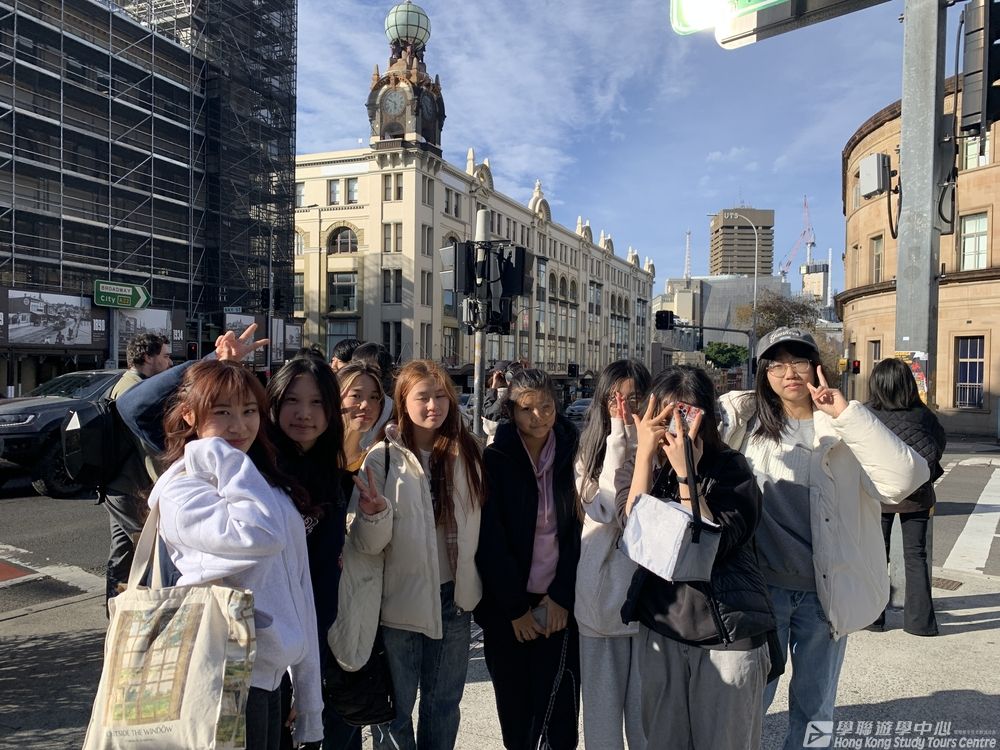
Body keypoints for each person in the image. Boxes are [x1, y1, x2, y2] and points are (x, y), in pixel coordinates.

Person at [718, 327, 929, 750]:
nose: (788, 373)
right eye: (776, 364)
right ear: (763, 373)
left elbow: (905, 479)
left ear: (817, 367)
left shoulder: (843, 427)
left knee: (816, 708)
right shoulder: (750, 426)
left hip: (824, 594)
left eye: (798, 361)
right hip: (762, 592)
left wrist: (846, 413)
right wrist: (736, 406)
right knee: (749, 702)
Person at [142, 359, 324, 750]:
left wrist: (308, 694)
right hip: (225, 673)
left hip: (270, 677)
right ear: (189, 414)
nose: (239, 426)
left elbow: (299, 587)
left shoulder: (260, 485)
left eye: (249, 411)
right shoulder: (182, 490)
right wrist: (215, 453)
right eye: (222, 412)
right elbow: (260, 535)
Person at [618, 365, 774, 750]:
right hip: (664, 628)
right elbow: (634, 531)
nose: (674, 427)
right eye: (665, 415)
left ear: (705, 417)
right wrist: (644, 454)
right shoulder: (648, 469)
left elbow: (712, 544)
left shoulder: (731, 468)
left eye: (684, 415)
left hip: (726, 634)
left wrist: (687, 475)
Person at [342, 359, 485, 750]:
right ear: (403, 402)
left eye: (441, 396)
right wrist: (375, 515)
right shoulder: (383, 458)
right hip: (399, 603)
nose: (433, 406)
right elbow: (366, 545)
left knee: (443, 706)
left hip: (454, 599)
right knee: (395, 712)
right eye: (423, 397)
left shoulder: (469, 451)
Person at [476, 368, 582, 750]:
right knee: (517, 719)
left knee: (559, 716)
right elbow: (490, 540)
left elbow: (581, 533)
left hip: (559, 606)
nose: (539, 416)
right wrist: (515, 609)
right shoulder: (496, 458)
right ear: (511, 411)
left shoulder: (574, 453)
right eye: (527, 408)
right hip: (509, 611)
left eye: (546, 406)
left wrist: (562, 597)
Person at [266, 356, 360, 750]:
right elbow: (137, 413)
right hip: (255, 648)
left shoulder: (332, 475)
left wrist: (306, 678)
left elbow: (321, 583)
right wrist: (216, 362)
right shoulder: (254, 465)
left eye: (317, 402)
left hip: (307, 644)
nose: (304, 413)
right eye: (292, 400)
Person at [573, 359, 650, 750]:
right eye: (614, 399)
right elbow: (606, 507)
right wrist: (620, 434)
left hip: (652, 608)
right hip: (601, 606)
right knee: (602, 725)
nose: (624, 407)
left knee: (647, 724)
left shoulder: (665, 449)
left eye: (634, 398)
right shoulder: (588, 454)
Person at [865, 357, 946, 636]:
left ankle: (874, 618)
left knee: (877, 554)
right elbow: (938, 446)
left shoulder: (868, 415)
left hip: (878, 494)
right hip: (917, 495)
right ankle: (920, 623)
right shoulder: (924, 416)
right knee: (916, 555)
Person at [103, 333, 172, 612]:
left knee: (122, 552)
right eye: (165, 356)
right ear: (147, 358)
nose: (169, 362)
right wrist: (166, 485)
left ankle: (115, 611)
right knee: (152, 550)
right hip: (129, 489)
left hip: (117, 486)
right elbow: (149, 450)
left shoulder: (125, 384)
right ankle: (139, 612)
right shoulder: (134, 392)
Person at [351, 342, 396, 449]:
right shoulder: (340, 399)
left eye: (373, 370)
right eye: (359, 366)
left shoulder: (391, 408)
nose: (365, 372)